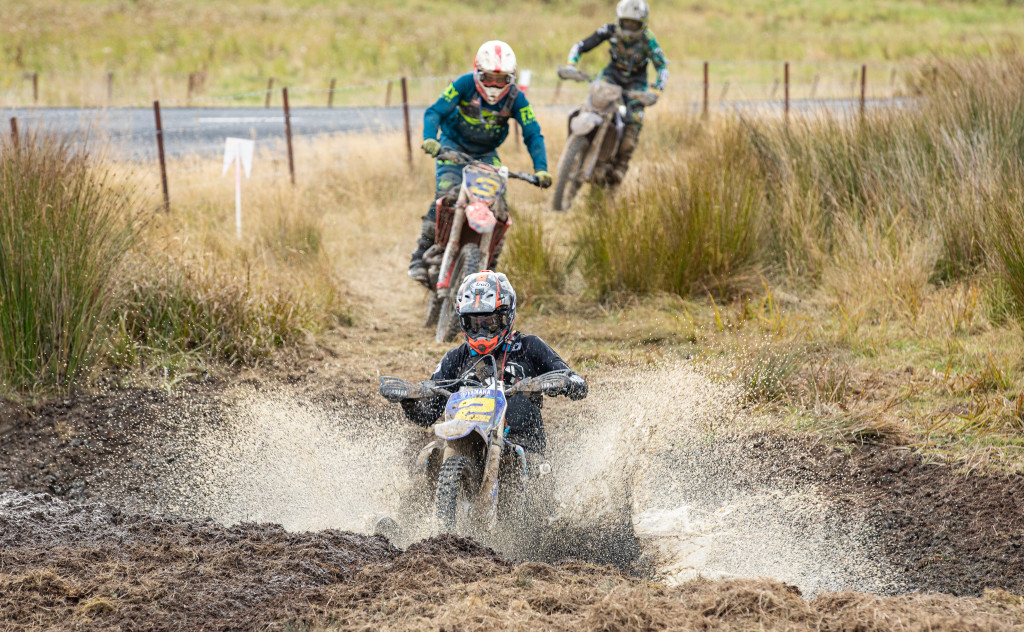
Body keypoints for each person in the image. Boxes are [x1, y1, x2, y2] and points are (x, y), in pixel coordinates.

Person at [408, 41, 552, 286]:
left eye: (502, 79)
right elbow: (435, 111)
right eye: (489, 78)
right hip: (453, 146)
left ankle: (489, 264)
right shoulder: (464, 84)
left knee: (500, 209)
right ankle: (420, 256)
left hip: (486, 154)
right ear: (478, 73)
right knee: (446, 194)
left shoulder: (516, 98)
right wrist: (430, 138)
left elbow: (532, 132)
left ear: (511, 78)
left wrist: (541, 168)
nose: (495, 85)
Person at [399, 271, 587, 453]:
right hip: (464, 446)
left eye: (489, 323)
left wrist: (564, 383)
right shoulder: (455, 358)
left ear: (506, 316)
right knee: (428, 457)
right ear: (463, 321)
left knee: (539, 469)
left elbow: (578, 383)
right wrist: (409, 401)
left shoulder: (529, 346)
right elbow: (426, 416)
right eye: (474, 324)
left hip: (523, 447)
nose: (481, 331)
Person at [566, 0, 668, 186]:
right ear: (619, 20)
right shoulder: (609, 31)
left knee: (634, 121)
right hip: (610, 77)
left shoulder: (648, 40)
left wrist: (656, 91)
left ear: (643, 24)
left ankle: (620, 167)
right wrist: (571, 65)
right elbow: (581, 45)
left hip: (636, 85)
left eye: (634, 24)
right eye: (626, 22)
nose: (629, 27)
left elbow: (662, 67)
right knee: (592, 104)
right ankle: (577, 146)